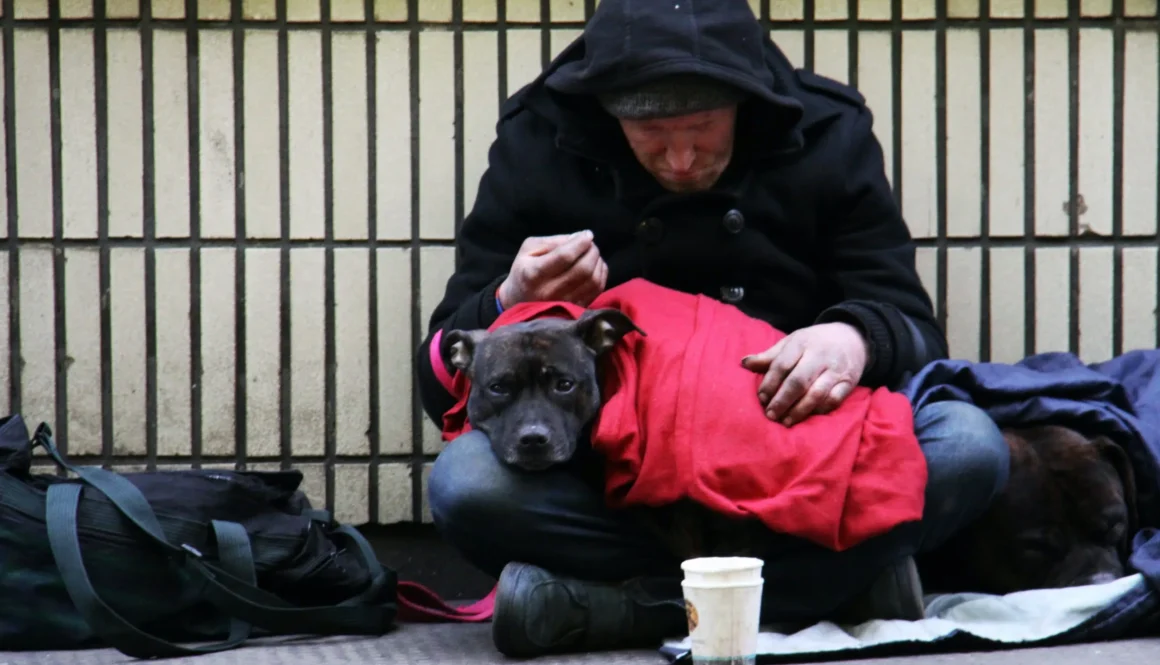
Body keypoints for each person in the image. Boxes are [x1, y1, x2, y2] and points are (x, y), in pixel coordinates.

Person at [416, 0, 1010, 657]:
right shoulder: (542, 136)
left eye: (701, 127)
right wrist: (509, 296)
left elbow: (912, 326)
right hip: (617, 476)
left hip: (794, 451)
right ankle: (831, 587)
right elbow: (440, 371)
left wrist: (851, 338)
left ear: (745, 102)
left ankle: (615, 609)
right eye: (648, 133)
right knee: (466, 483)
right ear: (609, 113)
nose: (678, 158)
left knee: (970, 444)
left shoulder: (828, 131)